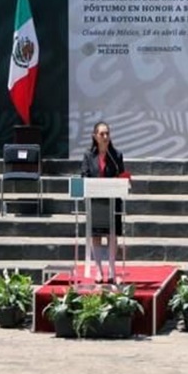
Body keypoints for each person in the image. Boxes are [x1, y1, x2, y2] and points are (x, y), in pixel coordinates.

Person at [81, 121, 127, 282]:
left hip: (112, 202)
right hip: (95, 202)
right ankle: (99, 270)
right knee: (96, 236)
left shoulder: (117, 155)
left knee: (112, 235)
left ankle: (112, 270)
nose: (105, 137)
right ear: (95, 136)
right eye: (102, 134)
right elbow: (84, 176)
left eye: (107, 133)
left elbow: (122, 176)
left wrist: (123, 181)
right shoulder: (88, 155)